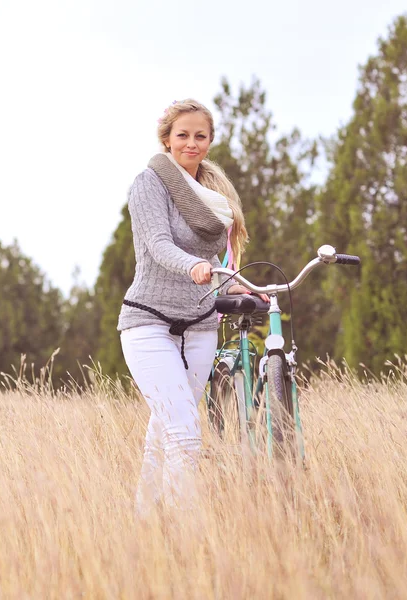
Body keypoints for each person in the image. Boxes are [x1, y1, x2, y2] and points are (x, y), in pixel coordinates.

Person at [118, 99, 267, 517]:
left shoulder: (216, 194)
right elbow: (159, 244)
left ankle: (146, 523)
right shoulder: (149, 184)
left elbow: (220, 262)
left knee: (164, 433)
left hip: (200, 324)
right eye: (182, 135)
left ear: (209, 140)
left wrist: (245, 285)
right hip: (149, 321)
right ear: (166, 139)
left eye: (200, 135)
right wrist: (195, 266)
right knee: (185, 434)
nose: (191, 143)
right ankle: (190, 537)